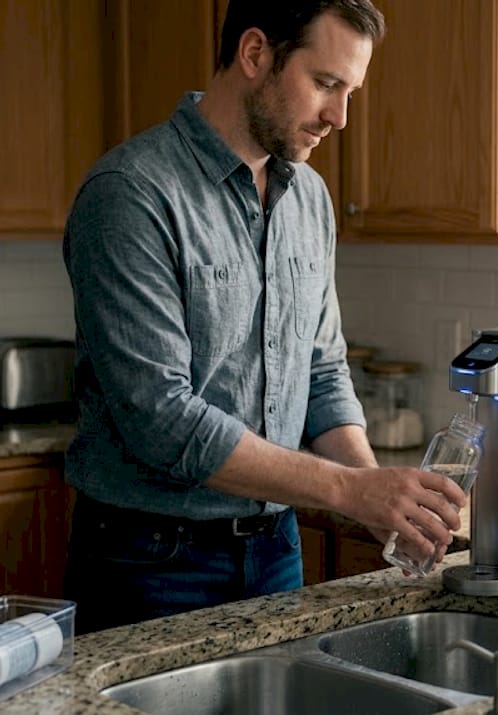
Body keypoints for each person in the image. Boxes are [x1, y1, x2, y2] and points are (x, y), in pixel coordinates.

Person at [61, 0, 466, 634]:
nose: (340, 116)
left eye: (350, 91)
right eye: (326, 84)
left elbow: (322, 370)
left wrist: (383, 500)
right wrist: (349, 492)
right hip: (150, 561)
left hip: (277, 548)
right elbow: (162, 420)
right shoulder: (131, 194)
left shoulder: (308, 197)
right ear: (255, 54)